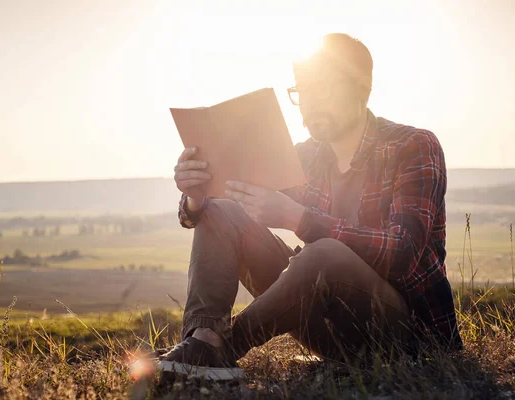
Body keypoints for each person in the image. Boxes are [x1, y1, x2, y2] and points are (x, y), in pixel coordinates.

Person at [157, 33, 462, 381]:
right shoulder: (306, 156)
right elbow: (223, 202)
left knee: (325, 254)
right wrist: (197, 195)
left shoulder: (413, 146)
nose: (310, 103)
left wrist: (298, 218)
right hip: (329, 333)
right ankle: (200, 341)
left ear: (362, 87)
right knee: (221, 210)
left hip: (406, 336)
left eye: (324, 88)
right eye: (302, 91)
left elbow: (404, 253)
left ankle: (220, 348)